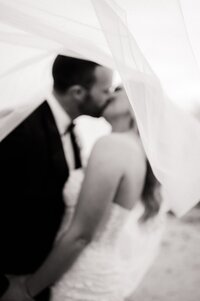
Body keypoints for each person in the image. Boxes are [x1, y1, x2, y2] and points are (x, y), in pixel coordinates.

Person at [21, 87, 165, 301]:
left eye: (118, 90)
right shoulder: (134, 150)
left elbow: (81, 236)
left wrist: (27, 290)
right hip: (98, 274)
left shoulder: (113, 146)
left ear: (136, 107)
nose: (109, 94)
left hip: (78, 273)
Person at [0, 55, 113, 301]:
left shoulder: (72, 132)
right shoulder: (21, 129)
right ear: (78, 92)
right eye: (105, 90)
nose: (110, 97)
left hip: (41, 279)